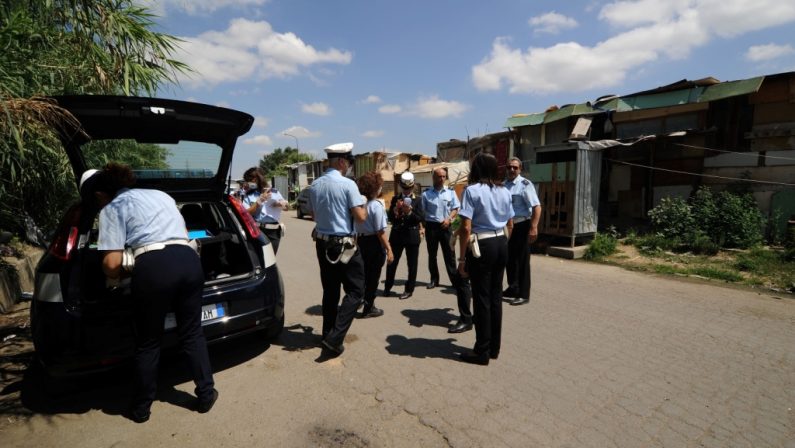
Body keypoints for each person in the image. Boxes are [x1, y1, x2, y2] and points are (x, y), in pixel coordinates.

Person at [80, 163, 217, 423]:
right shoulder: (161, 195)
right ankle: (206, 394)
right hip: (189, 260)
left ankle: (141, 408)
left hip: (154, 268)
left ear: (99, 195)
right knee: (192, 332)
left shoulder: (111, 208)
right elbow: (180, 233)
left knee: (149, 341)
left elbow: (110, 265)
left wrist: (128, 271)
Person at [308, 142, 367, 358]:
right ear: (342, 162)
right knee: (356, 291)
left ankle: (326, 334)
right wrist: (365, 204)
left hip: (322, 243)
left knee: (330, 290)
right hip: (344, 245)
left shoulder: (314, 185)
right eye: (349, 162)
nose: (349, 166)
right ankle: (335, 337)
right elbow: (360, 218)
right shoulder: (348, 184)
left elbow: (314, 217)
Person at [457, 153, 514, 365]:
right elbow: (511, 224)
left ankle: (481, 350)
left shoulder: (471, 191)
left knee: (481, 299)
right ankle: (494, 348)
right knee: (496, 298)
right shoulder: (505, 191)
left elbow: (465, 227)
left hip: (482, 244)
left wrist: (462, 260)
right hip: (501, 242)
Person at [421, 167, 473, 333]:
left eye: (444, 176)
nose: (442, 178)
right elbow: (422, 212)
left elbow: (456, 208)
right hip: (431, 227)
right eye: (439, 176)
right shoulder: (426, 194)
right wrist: (422, 227)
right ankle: (434, 279)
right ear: (433, 177)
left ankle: (454, 281)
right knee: (432, 255)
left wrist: (449, 219)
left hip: (446, 227)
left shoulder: (450, 192)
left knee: (450, 255)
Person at [503, 157, 542, 306]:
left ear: (520, 169)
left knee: (522, 260)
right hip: (507, 227)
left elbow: (536, 207)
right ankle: (513, 287)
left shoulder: (525, 184)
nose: (512, 170)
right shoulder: (504, 185)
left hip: (522, 225)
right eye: (509, 167)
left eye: (515, 167)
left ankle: (524, 294)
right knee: (509, 258)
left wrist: (533, 227)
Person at [355, 171, 394, 318]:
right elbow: (380, 232)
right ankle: (369, 307)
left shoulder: (359, 205)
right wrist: (389, 249)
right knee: (373, 278)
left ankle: (362, 300)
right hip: (373, 243)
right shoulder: (376, 206)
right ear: (375, 188)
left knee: (363, 275)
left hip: (361, 242)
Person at [383, 171, 424, 300]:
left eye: (409, 188)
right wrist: (395, 212)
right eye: (404, 188)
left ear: (412, 187)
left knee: (412, 265)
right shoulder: (395, 198)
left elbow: (421, 218)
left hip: (411, 236)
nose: (406, 191)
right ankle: (387, 287)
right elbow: (390, 218)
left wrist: (409, 212)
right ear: (401, 186)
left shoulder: (418, 200)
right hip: (397, 235)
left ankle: (409, 289)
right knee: (392, 262)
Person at [242, 167, 289, 254]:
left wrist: (283, 205)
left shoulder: (275, 192)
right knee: (259, 259)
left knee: (271, 259)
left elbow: (286, 208)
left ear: (256, 179)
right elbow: (246, 213)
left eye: (249, 180)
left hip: (274, 231)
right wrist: (259, 201)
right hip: (258, 230)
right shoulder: (248, 195)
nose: (248, 183)